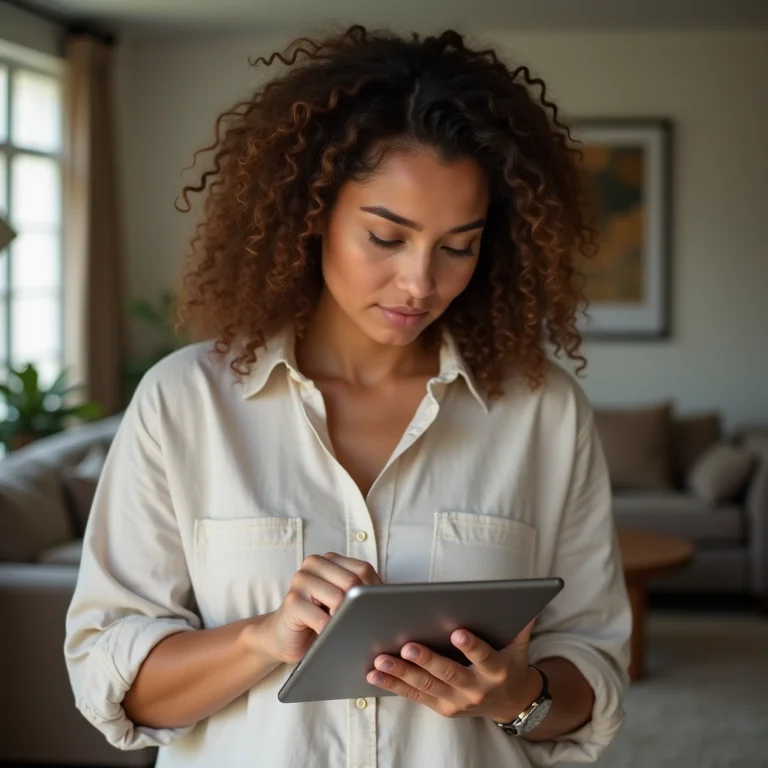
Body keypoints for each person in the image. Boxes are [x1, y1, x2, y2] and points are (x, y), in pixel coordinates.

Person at [64, 25, 631, 768]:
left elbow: (594, 665)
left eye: (458, 246)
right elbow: (115, 682)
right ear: (312, 214)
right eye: (386, 238)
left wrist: (513, 694)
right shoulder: (185, 401)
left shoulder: (541, 411)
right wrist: (261, 638)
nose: (421, 282)